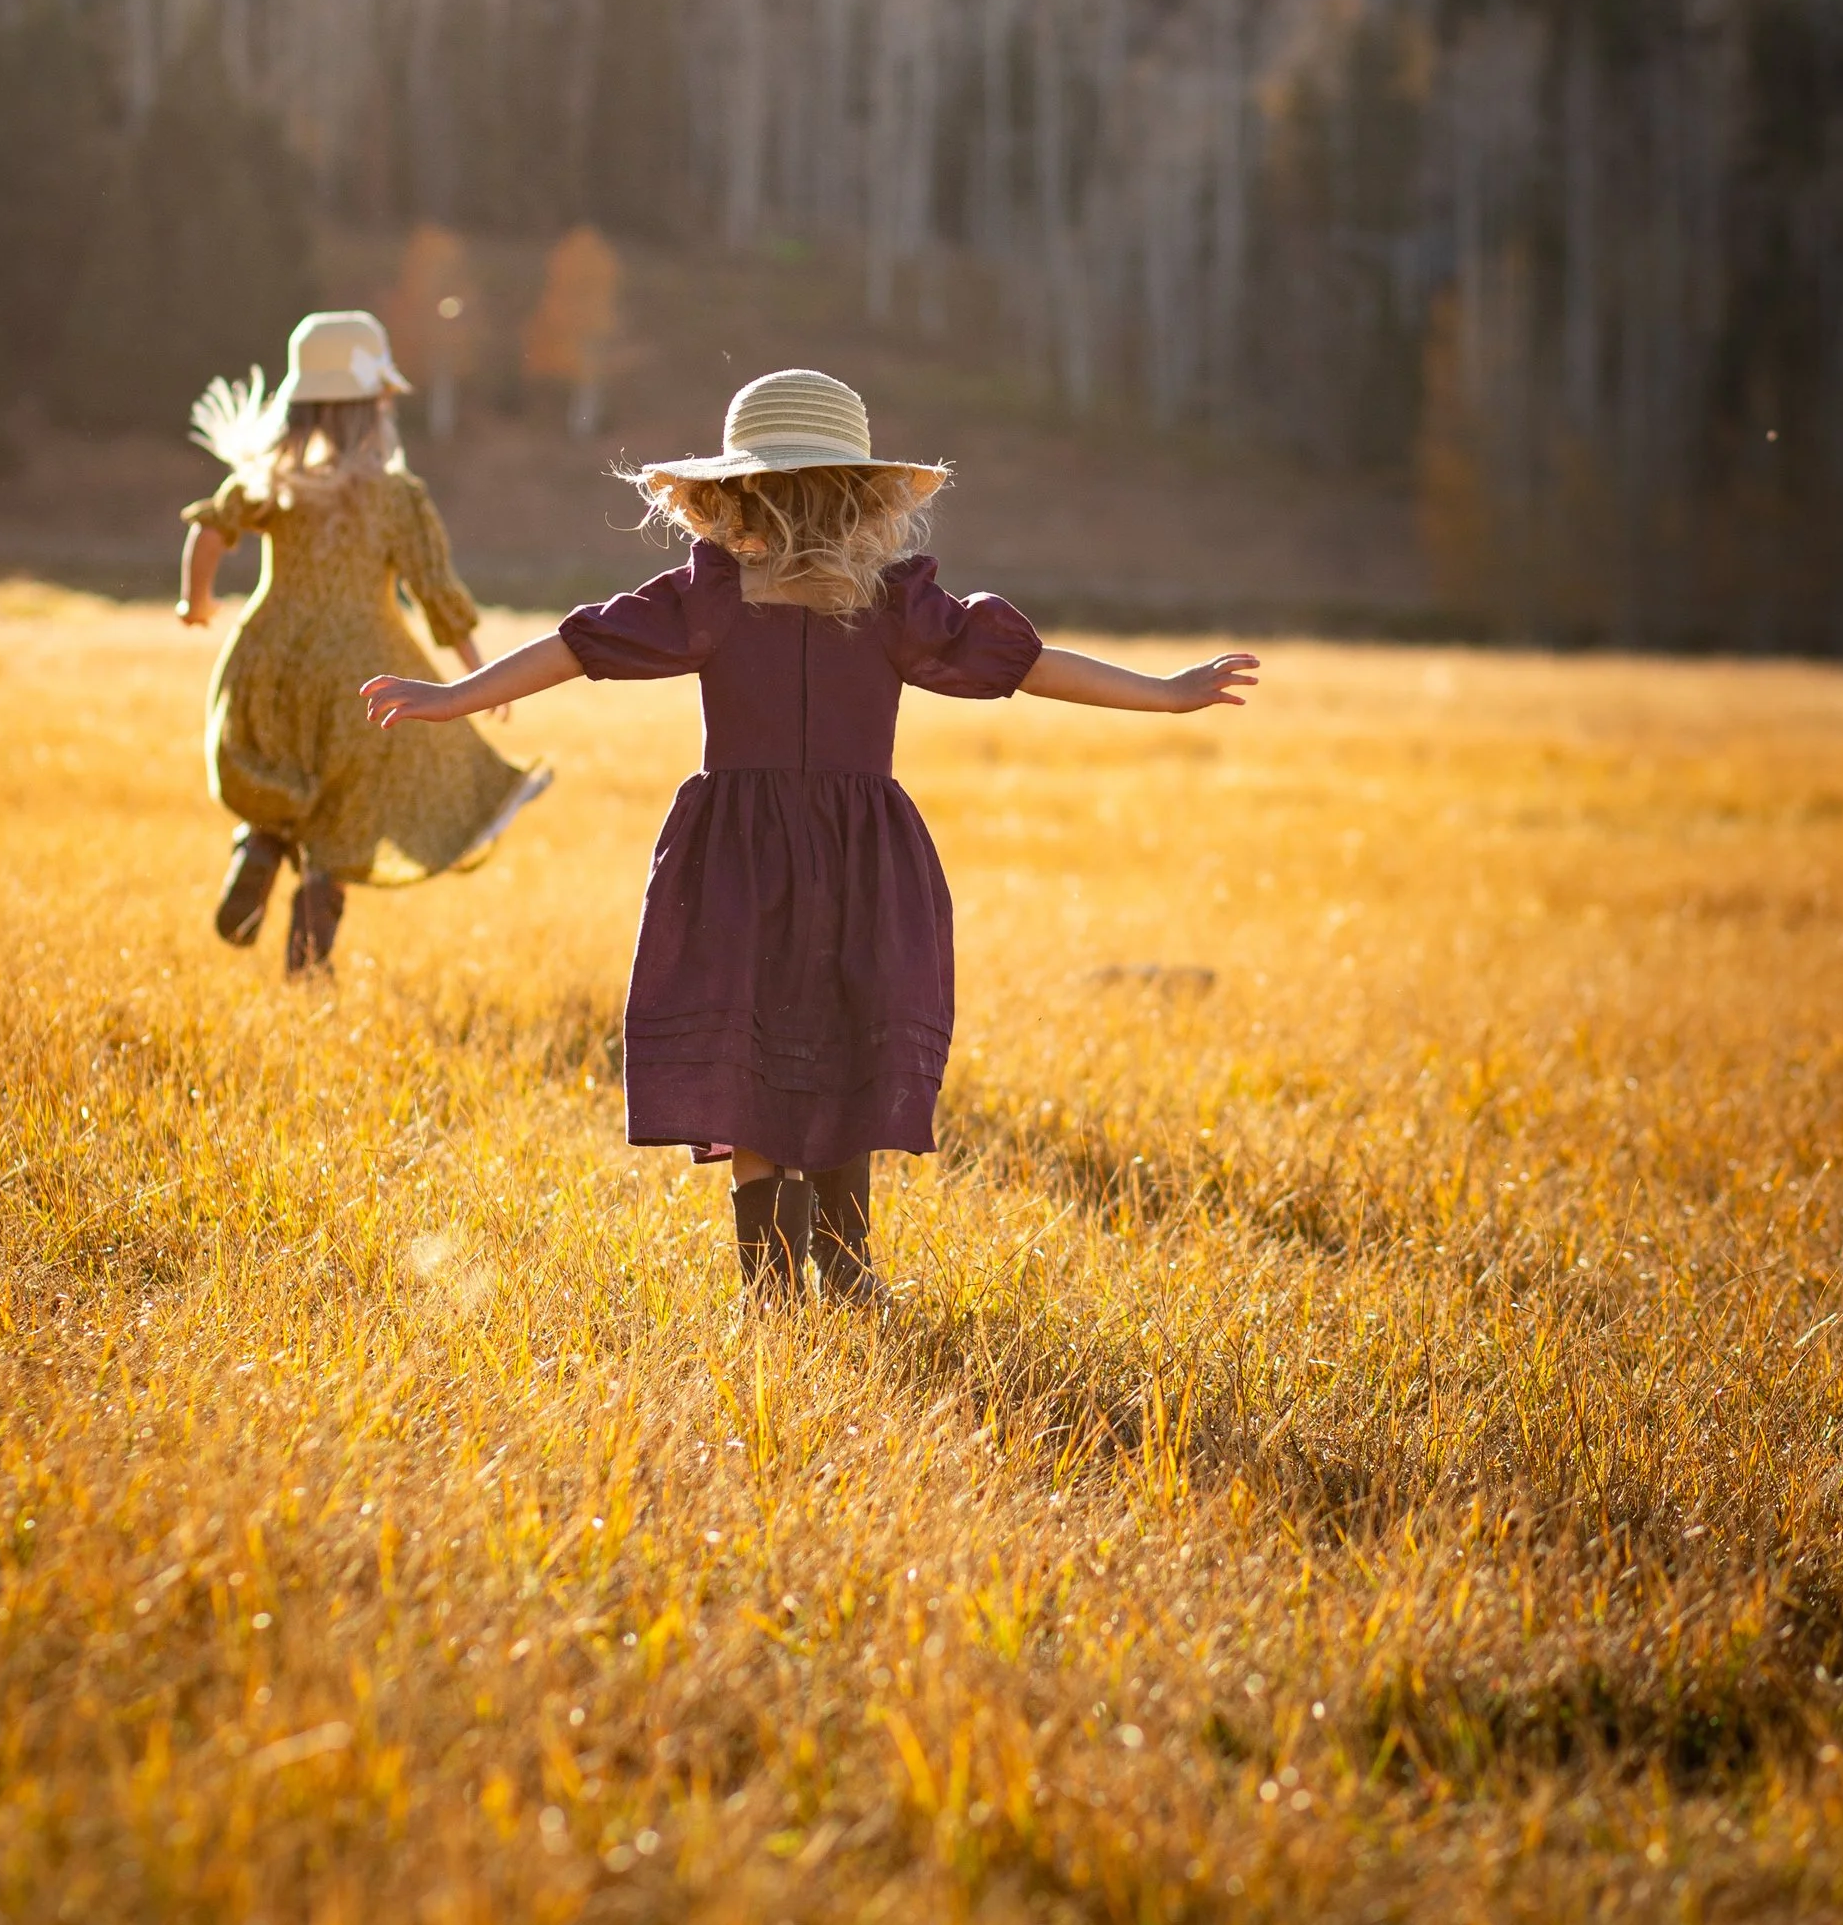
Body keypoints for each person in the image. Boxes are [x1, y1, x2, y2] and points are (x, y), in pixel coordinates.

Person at [362, 365, 1257, 1298]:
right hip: (833, 858)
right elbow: (1032, 666)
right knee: (836, 1042)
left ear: (735, 493)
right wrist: (1161, 692)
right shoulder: (860, 606)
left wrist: (455, 695)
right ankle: (826, 1269)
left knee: (779, 1048)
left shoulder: (778, 601)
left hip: (752, 861)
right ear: (864, 497)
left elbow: (572, 648)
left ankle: (791, 1276)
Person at [178, 308, 550, 975]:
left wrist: (196, 601)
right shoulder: (396, 496)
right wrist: (477, 674)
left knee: (283, 774)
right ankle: (310, 960)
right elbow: (436, 592)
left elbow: (209, 532)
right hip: (362, 670)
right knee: (348, 809)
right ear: (376, 407)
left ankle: (260, 847)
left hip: (272, 657)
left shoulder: (271, 482)